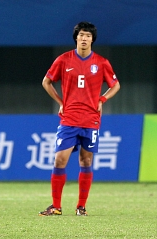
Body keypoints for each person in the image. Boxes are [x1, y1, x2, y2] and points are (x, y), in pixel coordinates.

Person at [39, 21, 120, 217]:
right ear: (76, 37)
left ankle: (81, 206)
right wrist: (61, 101)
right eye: (81, 35)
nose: (84, 38)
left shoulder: (101, 63)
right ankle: (56, 206)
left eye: (88, 36)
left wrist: (102, 99)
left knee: (86, 161)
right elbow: (46, 82)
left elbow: (116, 85)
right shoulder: (64, 60)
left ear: (93, 39)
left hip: (91, 119)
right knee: (60, 160)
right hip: (69, 119)